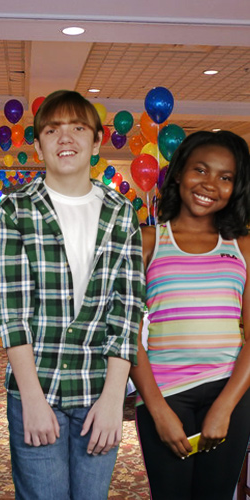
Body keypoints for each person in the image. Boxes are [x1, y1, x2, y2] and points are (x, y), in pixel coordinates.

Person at [0, 90, 145, 500]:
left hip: (99, 390)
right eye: (52, 129)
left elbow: (127, 309)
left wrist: (115, 399)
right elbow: (12, 314)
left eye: (78, 128)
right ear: (38, 143)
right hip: (36, 388)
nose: (65, 138)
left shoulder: (121, 211)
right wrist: (32, 399)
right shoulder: (16, 210)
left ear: (96, 142)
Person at [130, 130, 250, 500]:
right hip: (164, 395)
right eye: (201, 170)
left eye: (225, 177)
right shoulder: (147, 240)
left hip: (229, 391)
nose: (210, 184)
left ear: (236, 187)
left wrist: (225, 407)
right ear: (180, 172)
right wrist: (157, 409)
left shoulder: (244, 246)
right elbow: (126, 333)